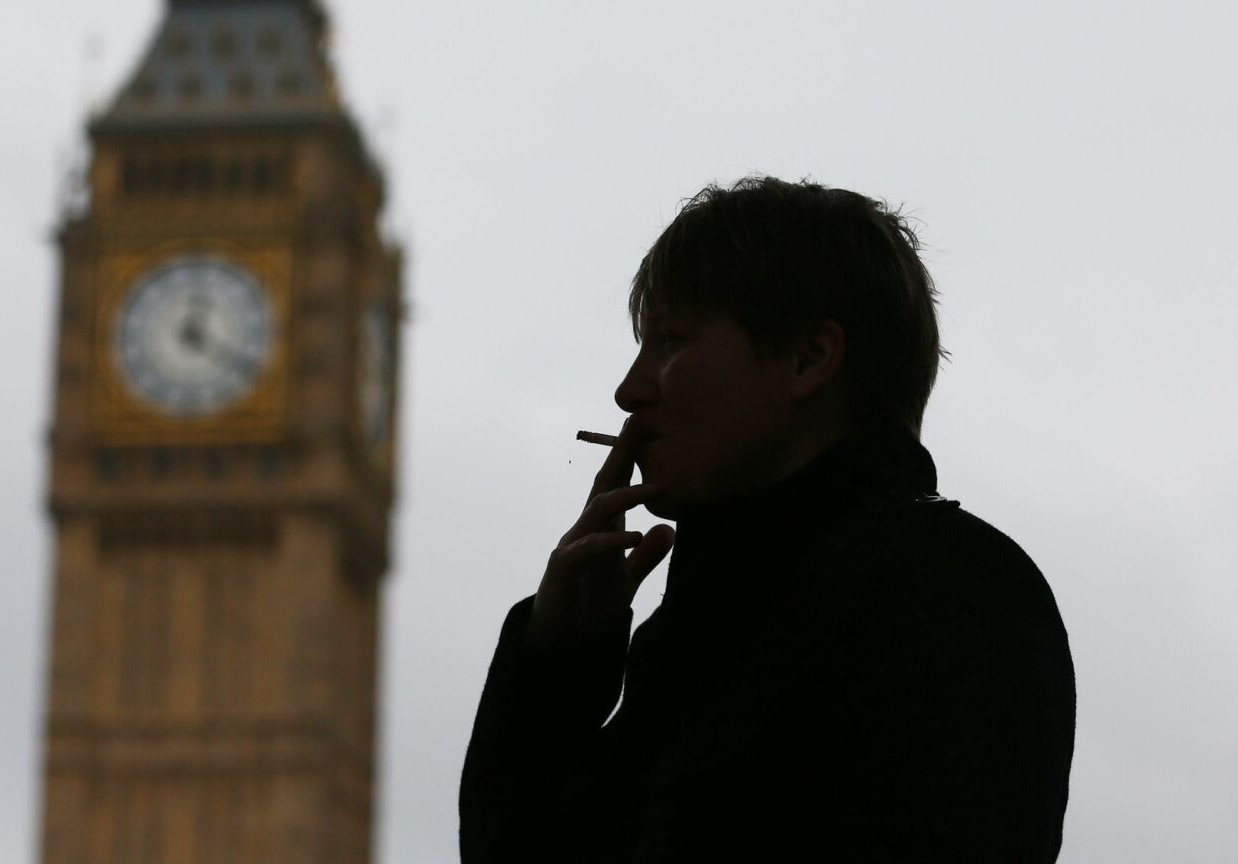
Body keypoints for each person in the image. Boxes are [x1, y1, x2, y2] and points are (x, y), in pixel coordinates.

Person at [459, 177, 1076, 862]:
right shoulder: (711, 619)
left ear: (808, 359)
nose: (628, 391)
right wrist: (557, 669)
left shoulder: (951, 593)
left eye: (671, 341)